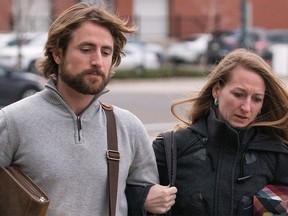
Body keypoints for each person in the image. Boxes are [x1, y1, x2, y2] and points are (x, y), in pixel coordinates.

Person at [0, 2, 176, 216]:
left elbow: (146, 203)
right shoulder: (12, 122)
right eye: (86, 49)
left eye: (106, 52)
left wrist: (148, 199)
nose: (97, 61)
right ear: (57, 54)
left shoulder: (128, 127)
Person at [153, 48, 288, 216]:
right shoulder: (171, 149)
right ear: (217, 90)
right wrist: (143, 197)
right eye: (239, 94)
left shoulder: (276, 155)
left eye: (256, 99)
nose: (246, 108)